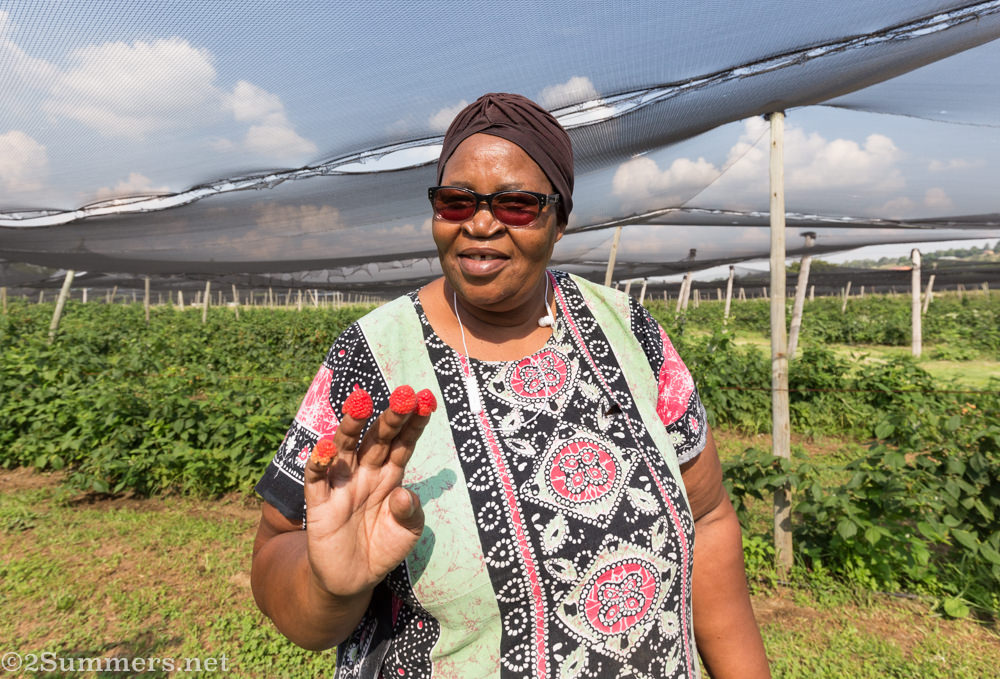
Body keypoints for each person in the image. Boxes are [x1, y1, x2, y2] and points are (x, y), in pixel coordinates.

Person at [251, 92, 770, 678]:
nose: (480, 223)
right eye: (456, 201)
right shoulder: (373, 357)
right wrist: (330, 585)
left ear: (560, 219)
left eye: (517, 204)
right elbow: (276, 550)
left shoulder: (630, 332)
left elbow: (709, 517)